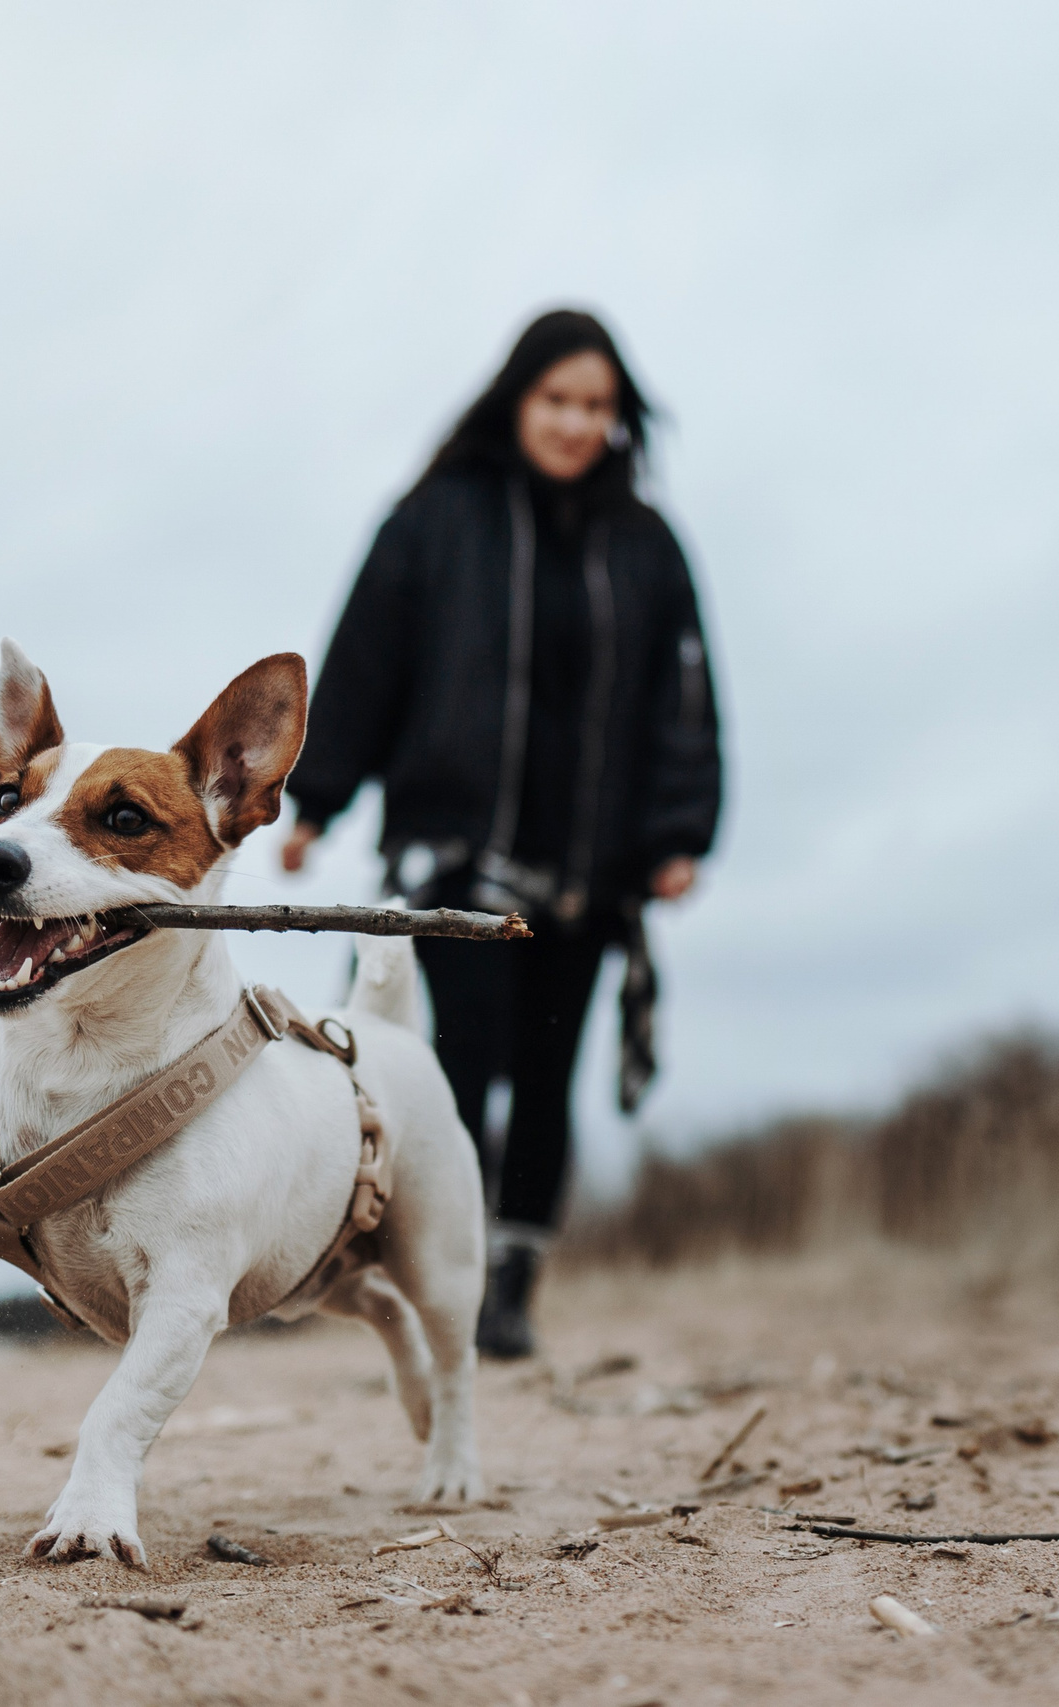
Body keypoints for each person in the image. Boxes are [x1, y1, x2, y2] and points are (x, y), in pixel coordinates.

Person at [280, 308, 724, 1359]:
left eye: (596, 407)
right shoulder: (437, 518)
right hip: (454, 857)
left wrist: (681, 830)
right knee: (457, 1068)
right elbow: (365, 661)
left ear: (618, 419)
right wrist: (316, 800)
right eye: (558, 400)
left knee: (548, 1079)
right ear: (517, 400)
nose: (576, 423)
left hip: (591, 869)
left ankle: (513, 1283)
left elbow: (686, 693)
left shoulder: (647, 544)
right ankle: (456, 1267)